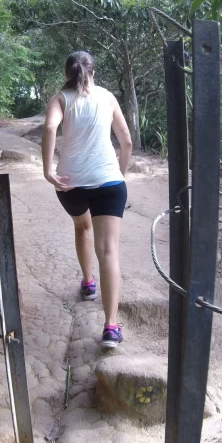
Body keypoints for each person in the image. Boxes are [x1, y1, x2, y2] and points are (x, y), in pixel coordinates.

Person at [41, 51, 133, 349]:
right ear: (93, 71)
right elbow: (126, 140)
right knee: (108, 251)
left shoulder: (60, 99)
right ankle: (110, 328)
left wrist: (47, 170)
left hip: (71, 184)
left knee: (82, 227)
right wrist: (120, 172)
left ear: (66, 72)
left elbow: (49, 128)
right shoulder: (107, 97)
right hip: (109, 182)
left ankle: (88, 283)